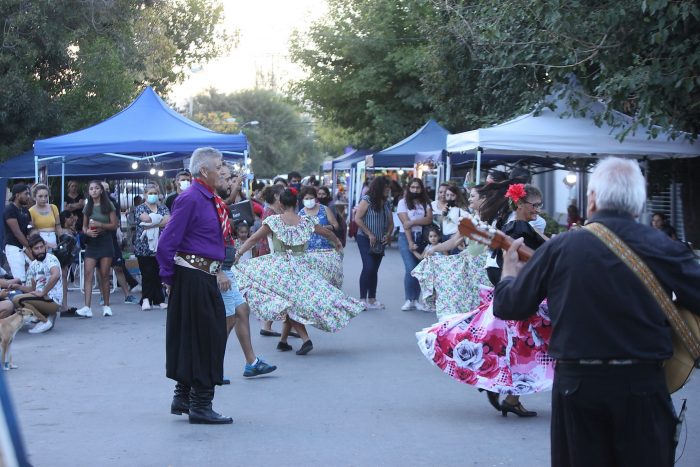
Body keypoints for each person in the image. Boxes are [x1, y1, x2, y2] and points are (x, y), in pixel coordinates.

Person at [493, 157, 700, 467]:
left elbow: (510, 307)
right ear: (639, 203)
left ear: (592, 201)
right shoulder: (665, 247)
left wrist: (509, 272)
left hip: (578, 384)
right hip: (642, 382)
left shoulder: (560, 248)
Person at [416, 183, 551, 417]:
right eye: (535, 205)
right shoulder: (518, 226)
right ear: (520, 204)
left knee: (513, 340)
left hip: (518, 290)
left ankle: (507, 393)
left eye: (540, 205)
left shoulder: (518, 224)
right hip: (520, 291)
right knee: (519, 341)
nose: (538, 209)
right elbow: (517, 258)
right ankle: (496, 382)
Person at [233, 188, 364, 355]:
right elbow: (326, 233)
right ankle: (283, 341)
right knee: (294, 302)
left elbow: (252, 239)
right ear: (297, 203)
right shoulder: (306, 221)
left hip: (278, 268)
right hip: (301, 265)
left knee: (289, 303)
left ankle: (304, 339)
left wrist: (238, 254)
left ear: (280, 203)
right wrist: (337, 242)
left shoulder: (273, 221)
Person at [157, 147, 232, 424]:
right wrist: (170, 279)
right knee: (207, 339)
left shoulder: (209, 198)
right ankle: (200, 405)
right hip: (193, 276)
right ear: (204, 171)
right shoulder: (190, 198)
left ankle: (183, 396)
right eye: (219, 166)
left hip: (203, 276)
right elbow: (167, 242)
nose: (223, 170)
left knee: (196, 337)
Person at [215, 164, 277, 378]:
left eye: (229, 178)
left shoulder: (221, 201)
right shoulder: (209, 202)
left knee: (241, 311)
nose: (228, 181)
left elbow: (235, 206)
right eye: (224, 177)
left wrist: (238, 186)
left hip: (226, 266)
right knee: (229, 317)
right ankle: (212, 365)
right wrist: (217, 271)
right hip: (220, 267)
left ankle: (251, 362)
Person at [76, 181, 118, 318]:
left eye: (96, 188)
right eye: (91, 188)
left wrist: (101, 224)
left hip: (105, 241)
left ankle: (107, 306)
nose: (94, 191)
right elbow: (84, 226)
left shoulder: (108, 205)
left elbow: (114, 225)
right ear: (89, 191)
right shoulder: (88, 206)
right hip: (92, 243)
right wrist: (86, 232)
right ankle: (87, 307)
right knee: (88, 273)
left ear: (101, 190)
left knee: (105, 275)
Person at [354, 177, 394, 309]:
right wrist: (369, 233)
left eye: (389, 187)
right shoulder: (367, 200)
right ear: (379, 187)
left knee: (374, 269)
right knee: (369, 267)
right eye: (386, 187)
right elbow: (357, 219)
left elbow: (391, 223)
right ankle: (362, 299)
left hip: (380, 240)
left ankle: (372, 299)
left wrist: (388, 234)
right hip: (365, 238)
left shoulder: (387, 203)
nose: (388, 189)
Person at [10, 235, 62, 334]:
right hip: (41, 298)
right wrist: (18, 287)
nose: (40, 250)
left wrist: (43, 292)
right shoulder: (33, 265)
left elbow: (56, 275)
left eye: (42, 247)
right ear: (31, 250)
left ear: (45, 247)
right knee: (17, 297)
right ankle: (48, 318)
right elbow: (32, 289)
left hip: (52, 299)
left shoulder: (51, 259)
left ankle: (44, 321)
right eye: (36, 248)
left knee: (17, 299)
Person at [397, 178, 433, 311]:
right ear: (408, 188)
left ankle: (416, 300)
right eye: (412, 187)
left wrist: (412, 222)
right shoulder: (403, 202)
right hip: (406, 238)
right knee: (410, 268)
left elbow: (429, 219)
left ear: (421, 189)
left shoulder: (425, 203)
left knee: (419, 269)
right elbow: (405, 224)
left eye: (417, 187)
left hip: (422, 237)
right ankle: (408, 299)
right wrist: (410, 242)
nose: (415, 190)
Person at [134, 184, 170, 311]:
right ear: (145, 195)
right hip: (144, 247)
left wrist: (153, 223)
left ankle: (159, 299)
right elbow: (145, 220)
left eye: (155, 193)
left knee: (157, 274)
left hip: (160, 246)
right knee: (147, 273)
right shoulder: (140, 208)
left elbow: (167, 220)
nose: (153, 195)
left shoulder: (163, 207)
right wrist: (157, 223)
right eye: (150, 193)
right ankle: (146, 299)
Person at [4, 184, 33, 281]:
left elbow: (30, 227)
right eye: (26, 194)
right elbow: (17, 233)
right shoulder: (10, 210)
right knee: (20, 279)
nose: (28, 196)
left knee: (36, 271)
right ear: (17, 195)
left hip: (25, 246)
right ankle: (18, 296)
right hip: (13, 247)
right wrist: (30, 246)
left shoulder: (25, 210)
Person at [28, 184, 60, 251]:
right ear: (34, 197)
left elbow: (58, 226)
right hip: (39, 242)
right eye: (40, 196)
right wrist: (45, 243)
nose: (43, 199)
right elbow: (32, 232)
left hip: (54, 240)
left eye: (46, 196)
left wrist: (61, 241)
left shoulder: (53, 207)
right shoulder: (31, 211)